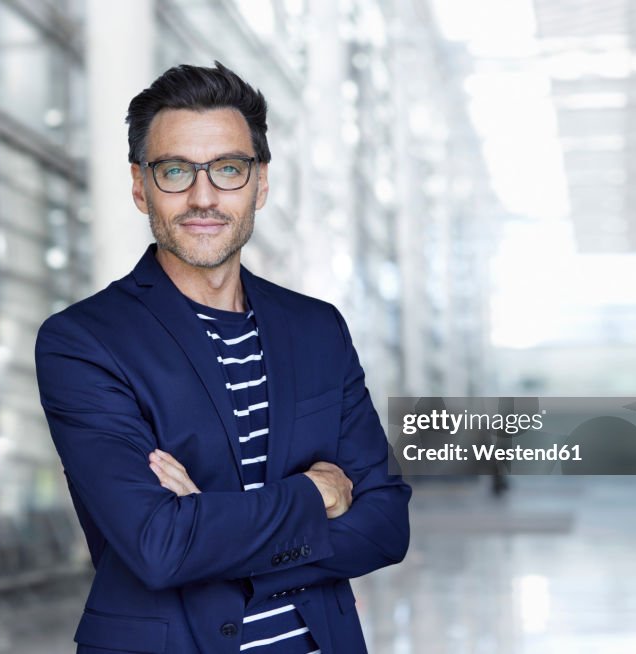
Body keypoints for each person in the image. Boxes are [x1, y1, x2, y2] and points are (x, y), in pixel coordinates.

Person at [35, 61, 411, 654]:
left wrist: (211, 522)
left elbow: (386, 524)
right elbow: (159, 547)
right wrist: (313, 498)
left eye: (229, 170)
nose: (203, 197)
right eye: (176, 171)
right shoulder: (83, 341)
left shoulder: (318, 329)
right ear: (140, 185)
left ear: (260, 183)